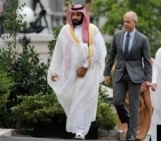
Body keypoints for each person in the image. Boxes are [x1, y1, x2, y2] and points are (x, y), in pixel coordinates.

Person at [47, 3, 107, 140]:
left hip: (88, 73)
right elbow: (59, 52)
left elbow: (99, 52)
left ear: (83, 15)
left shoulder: (93, 30)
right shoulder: (65, 31)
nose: (75, 17)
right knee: (73, 101)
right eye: (73, 14)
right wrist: (54, 71)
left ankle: (80, 131)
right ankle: (77, 128)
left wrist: (85, 67)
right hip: (70, 73)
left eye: (78, 14)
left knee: (83, 100)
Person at [103, 11, 152, 141]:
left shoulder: (142, 39)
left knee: (134, 106)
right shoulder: (117, 36)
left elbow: (147, 61)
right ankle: (129, 120)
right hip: (119, 74)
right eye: (124, 21)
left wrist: (148, 80)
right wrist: (106, 73)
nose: (125, 24)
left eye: (128, 22)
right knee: (118, 102)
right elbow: (111, 55)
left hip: (135, 76)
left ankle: (131, 134)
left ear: (134, 23)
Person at [115, 58, 154, 141]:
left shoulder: (150, 61)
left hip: (144, 95)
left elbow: (154, 78)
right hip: (129, 94)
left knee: (142, 125)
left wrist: (146, 84)